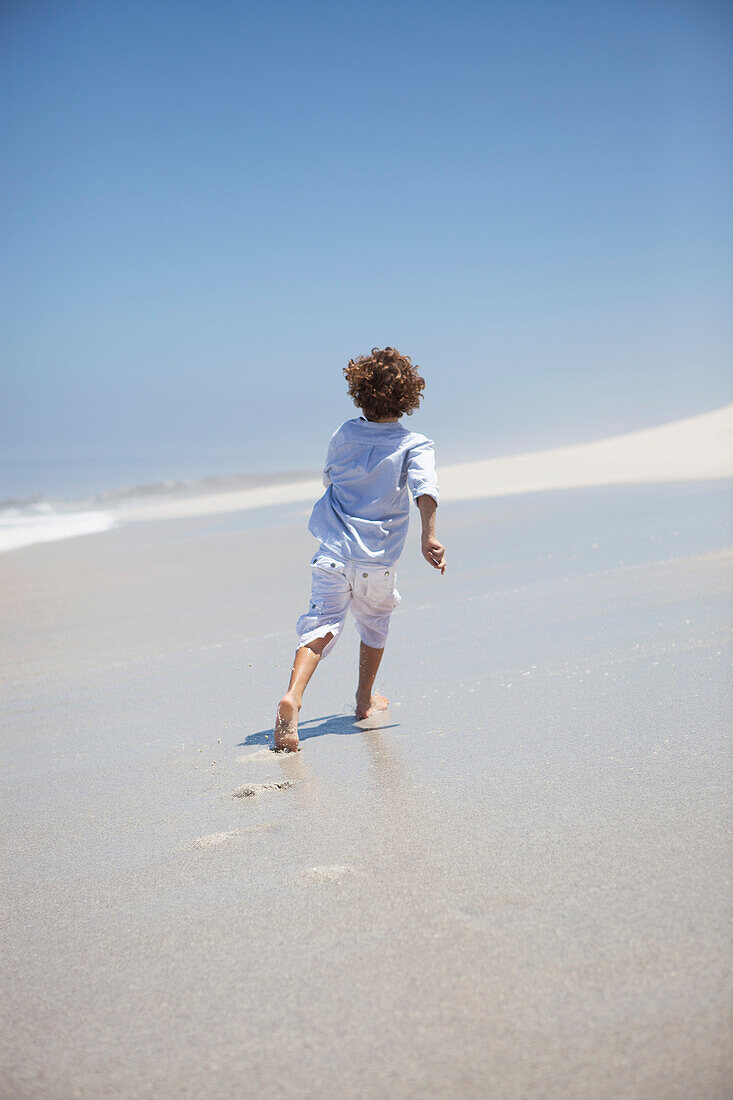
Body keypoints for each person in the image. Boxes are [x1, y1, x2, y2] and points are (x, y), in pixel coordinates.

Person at [273, 346, 446, 752]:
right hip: (376, 561)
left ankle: (293, 697)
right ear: (410, 397)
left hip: (331, 555)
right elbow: (425, 489)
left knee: (320, 626)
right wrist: (429, 536)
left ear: (359, 392)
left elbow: (329, 476)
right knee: (375, 624)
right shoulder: (414, 444)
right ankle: (364, 700)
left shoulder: (344, 434)